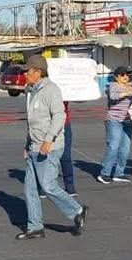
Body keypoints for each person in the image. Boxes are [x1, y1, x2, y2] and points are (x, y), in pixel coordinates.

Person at [17, 55, 87, 240]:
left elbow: (59, 116)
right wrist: (28, 143)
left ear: (38, 72)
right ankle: (35, 227)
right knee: (30, 189)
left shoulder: (51, 90)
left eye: (27, 71)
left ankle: (77, 211)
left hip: (49, 147)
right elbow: (33, 122)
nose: (25, 74)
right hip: (33, 146)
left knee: (47, 185)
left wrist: (48, 141)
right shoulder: (31, 91)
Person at [97, 66, 132, 183]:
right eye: (122, 75)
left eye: (127, 75)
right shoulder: (113, 86)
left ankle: (119, 173)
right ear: (116, 77)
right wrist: (128, 92)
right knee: (113, 146)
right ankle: (105, 173)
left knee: (125, 149)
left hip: (127, 121)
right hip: (114, 120)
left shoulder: (131, 87)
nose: (125, 77)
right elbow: (113, 96)